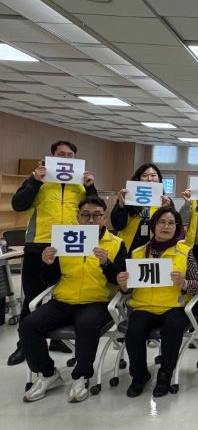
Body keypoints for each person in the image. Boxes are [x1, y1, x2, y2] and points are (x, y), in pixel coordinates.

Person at [20, 197, 126, 403]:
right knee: (28, 325)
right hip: (62, 300)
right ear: (78, 217)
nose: (91, 220)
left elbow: (121, 280)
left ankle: (82, 376)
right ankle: (48, 374)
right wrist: (48, 263)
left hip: (97, 301)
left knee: (86, 325)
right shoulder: (63, 239)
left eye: (97, 215)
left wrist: (107, 263)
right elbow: (50, 280)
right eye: (85, 215)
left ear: (104, 219)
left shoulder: (116, 244)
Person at [8, 140, 97, 366]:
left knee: (63, 294)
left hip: (71, 245)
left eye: (70, 155)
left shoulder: (80, 184)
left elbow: (94, 209)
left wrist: (90, 187)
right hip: (39, 243)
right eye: (61, 154)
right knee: (32, 297)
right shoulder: (38, 179)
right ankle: (24, 344)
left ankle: (57, 340)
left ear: (75, 158)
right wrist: (35, 181)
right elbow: (18, 204)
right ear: (52, 156)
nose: (65, 158)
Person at [115, 206, 198, 398]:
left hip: (174, 307)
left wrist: (184, 283)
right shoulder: (137, 252)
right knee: (134, 332)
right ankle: (139, 375)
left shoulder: (185, 252)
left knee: (172, 330)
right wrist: (123, 285)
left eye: (171, 223)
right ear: (153, 225)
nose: (166, 226)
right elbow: (128, 289)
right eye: (162, 222)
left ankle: (165, 375)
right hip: (143, 306)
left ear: (177, 228)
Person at [110, 163, 172, 256]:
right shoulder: (127, 198)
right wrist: (121, 204)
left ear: (159, 179)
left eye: (153, 175)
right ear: (138, 179)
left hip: (155, 250)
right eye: (144, 175)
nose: (149, 179)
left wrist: (164, 210)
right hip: (129, 248)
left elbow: (170, 228)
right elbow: (117, 225)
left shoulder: (166, 201)